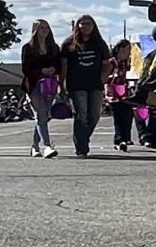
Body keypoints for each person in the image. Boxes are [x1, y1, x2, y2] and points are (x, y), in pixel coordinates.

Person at [61, 15, 109, 157]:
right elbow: (63, 65)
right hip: (76, 84)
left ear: (93, 26)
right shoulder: (68, 43)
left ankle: (83, 139)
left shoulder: (99, 43)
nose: (86, 26)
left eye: (89, 24)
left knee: (94, 115)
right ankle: (81, 148)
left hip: (95, 84)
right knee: (81, 115)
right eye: (83, 24)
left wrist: (104, 76)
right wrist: (61, 85)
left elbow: (107, 63)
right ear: (78, 26)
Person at [20, 19, 63, 159]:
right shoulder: (28, 48)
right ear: (35, 30)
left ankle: (34, 146)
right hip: (33, 85)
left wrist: (53, 70)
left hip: (49, 85)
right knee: (41, 114)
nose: (44, 30)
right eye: (41, 28)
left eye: (46, 28)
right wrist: (41, 71)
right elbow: (26, 69)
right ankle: (47, 146)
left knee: (43, 117)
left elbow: (59, 66)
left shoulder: (54, 48)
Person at [104, 40, 135, 153]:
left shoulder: (129, 62)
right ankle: (119, 140)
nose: (127, 52)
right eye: (125, 49)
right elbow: (105, 76)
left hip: (126, 92)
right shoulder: (112, 62)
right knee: (118, 117)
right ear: (119, 49)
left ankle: (125, 138)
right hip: (114, 92)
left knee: (127, 116)